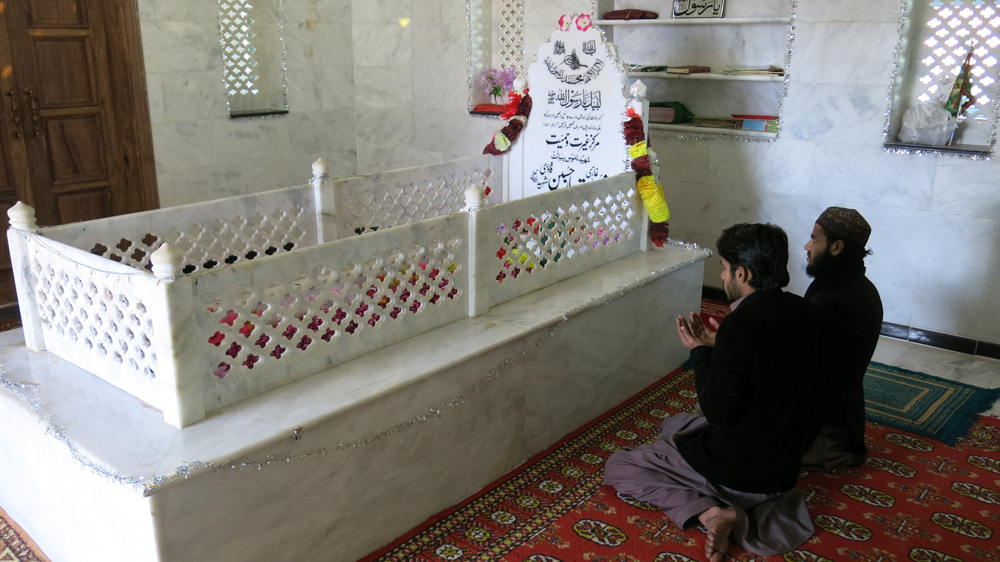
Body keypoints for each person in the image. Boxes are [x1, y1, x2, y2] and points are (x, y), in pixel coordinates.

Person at [605, 223, 823, 562]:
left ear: (743, 273)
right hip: (785, 461)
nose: (722, 277)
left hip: (741, 468)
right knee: (676, 423)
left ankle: (711, 513)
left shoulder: (740, 326)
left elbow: (719, 410)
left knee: (620, 465)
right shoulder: (806, 312)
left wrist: (700, 352)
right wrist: (721, 347)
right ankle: (743, 501)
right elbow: (772, 369)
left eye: (724, 269)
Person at [800, 207, 883, 472]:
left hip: (828, 429)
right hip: (830, 413)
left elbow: (807, 377)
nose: (807, 245)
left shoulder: (838, 301)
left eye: (814, 239)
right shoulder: (849, 284)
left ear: (836, 246)